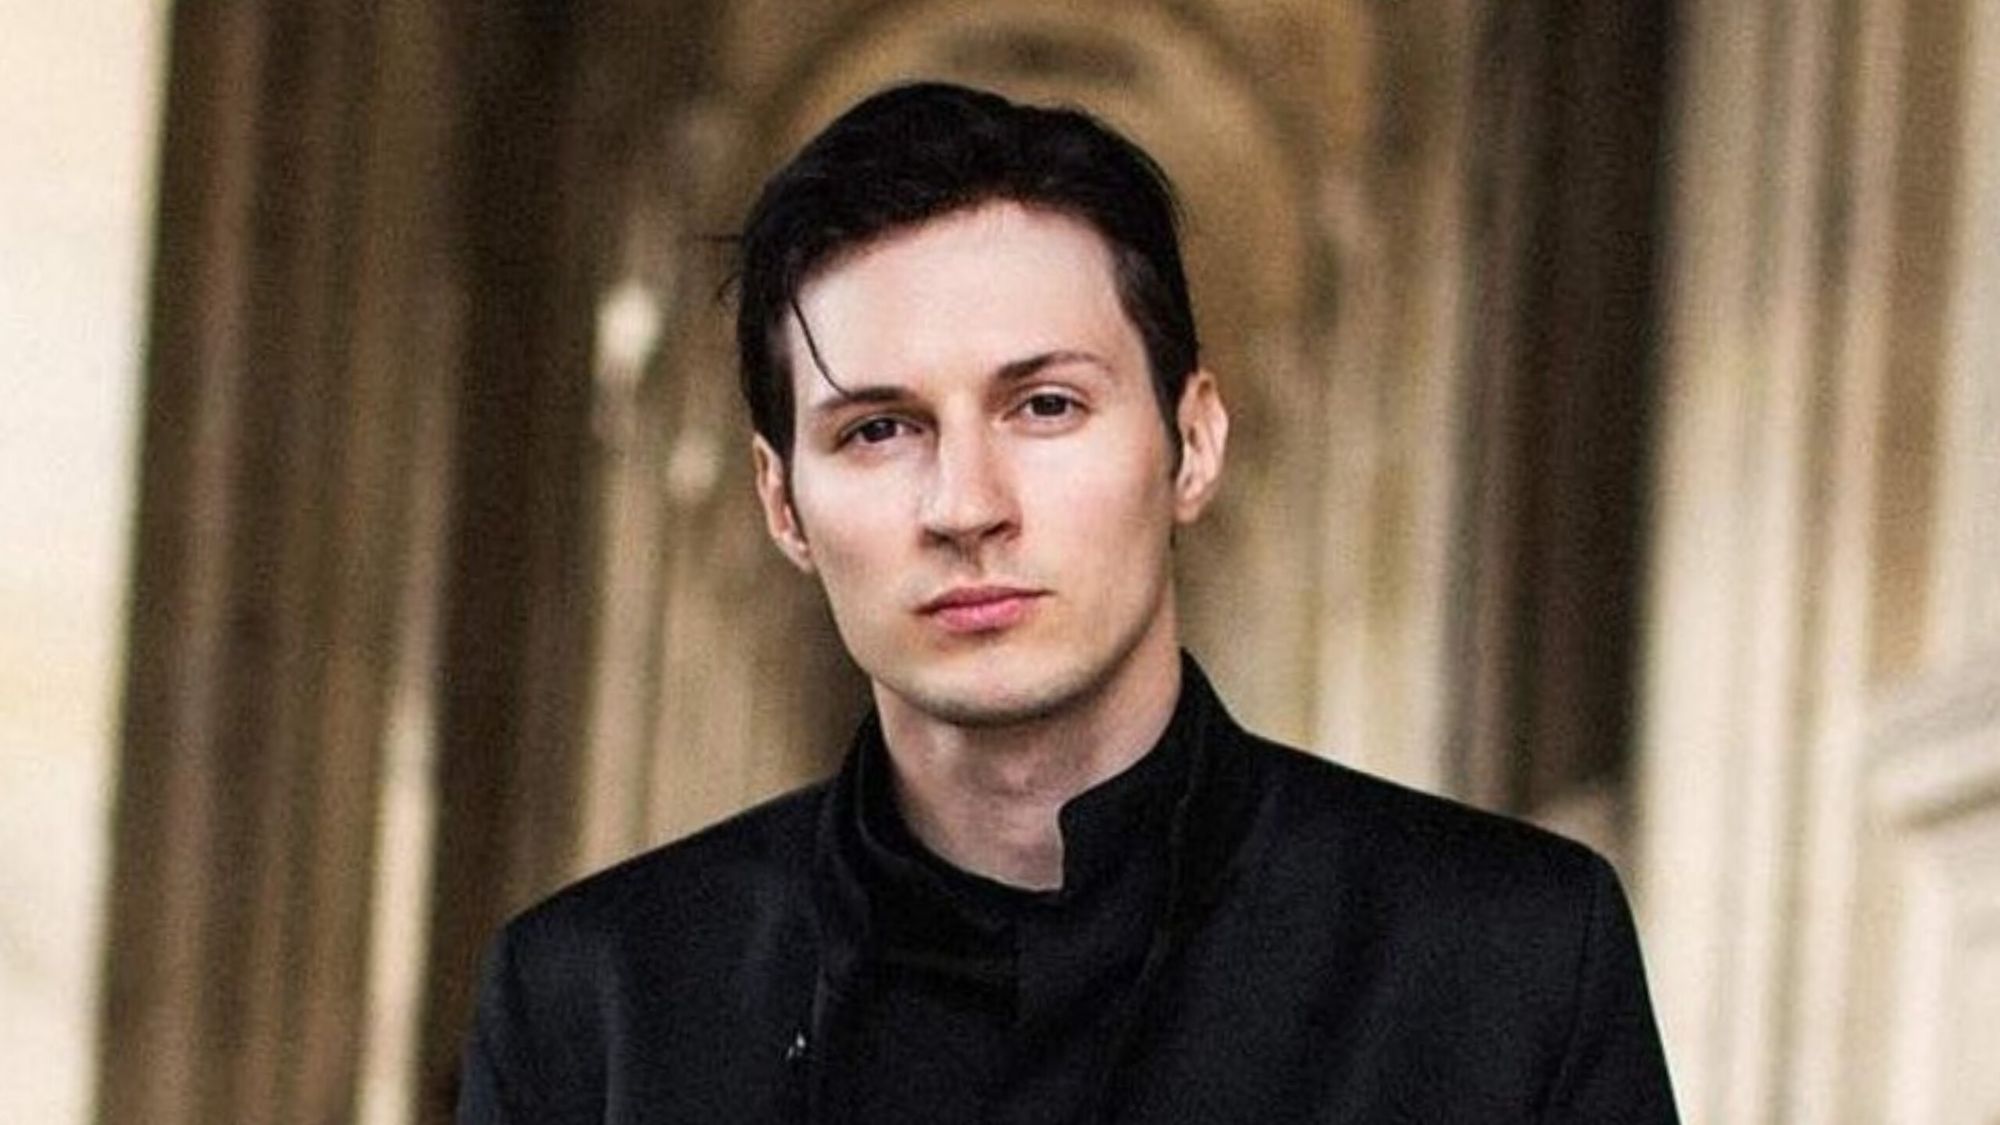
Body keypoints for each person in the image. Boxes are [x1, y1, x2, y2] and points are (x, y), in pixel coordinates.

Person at [457, 81, 1677, 1124]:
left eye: (1043, 406)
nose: (965, 504)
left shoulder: (1506, 963)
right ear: (782, 505)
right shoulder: (591, 1003)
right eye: (879, 429)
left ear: (1190, 444)